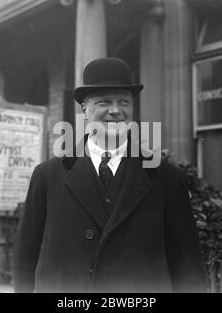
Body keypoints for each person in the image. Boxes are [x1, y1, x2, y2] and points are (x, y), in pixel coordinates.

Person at [13, 57, 206, 293]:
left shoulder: (164, 176)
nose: (116, 111)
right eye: (105, 102)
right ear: (84, 109)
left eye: (124, 102)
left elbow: (187, 265)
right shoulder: (47, 176)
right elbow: (26, 257)